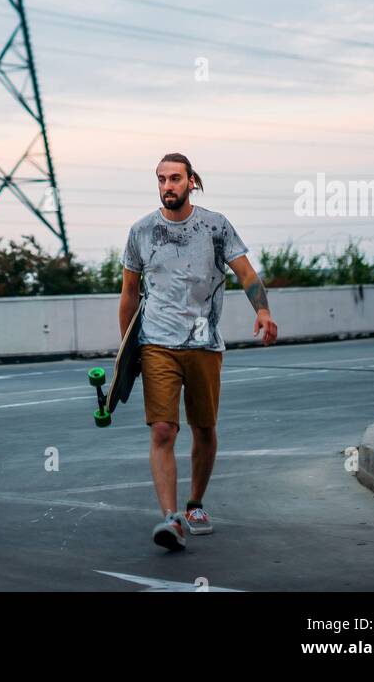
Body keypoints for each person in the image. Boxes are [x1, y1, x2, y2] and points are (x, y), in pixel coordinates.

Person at [120, 152, 278, 551]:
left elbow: (245, 272)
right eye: (161, 179)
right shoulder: (141, 231)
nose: (167, 186)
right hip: (157, 344)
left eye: (175, 178)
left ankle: (194, 505)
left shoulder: (215, 226)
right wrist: (128, 352)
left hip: (204, 343)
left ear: (191, 181)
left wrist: (262, 310)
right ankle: (170, 519)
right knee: (162, 428)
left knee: (204, 429)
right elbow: (129, 293)